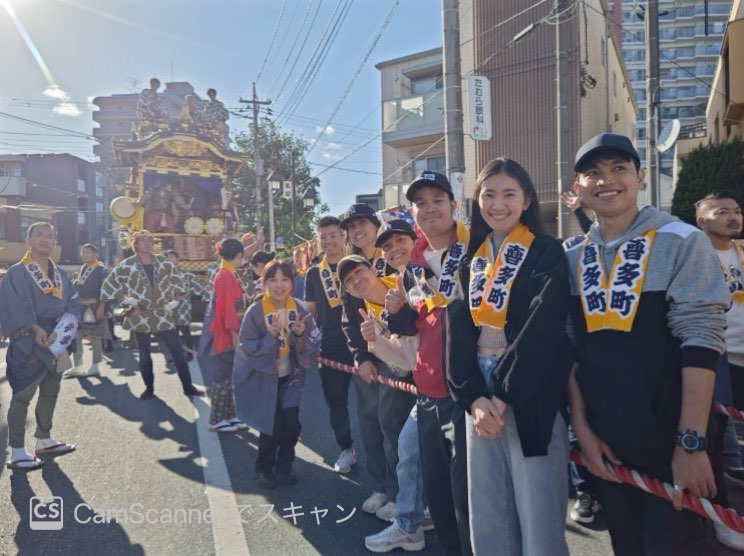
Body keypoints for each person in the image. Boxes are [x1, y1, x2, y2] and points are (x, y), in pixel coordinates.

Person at [565, 133, 729, 555]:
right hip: (607, 442)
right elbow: (571, 352)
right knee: (627, 545)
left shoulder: (681, 239)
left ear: (640, 176)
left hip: (673, 441)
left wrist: (690, 443)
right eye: (592, 173)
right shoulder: (572, 257)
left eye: (619, 168)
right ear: (578, 188)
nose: (606, 180)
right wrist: (583, 431)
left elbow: (701, 338)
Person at [447, 158, 572, 555]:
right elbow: (459, 330)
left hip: (526, 387)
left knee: (538, 513)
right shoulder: (473, 260)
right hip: (480, 395)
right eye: (489, 194)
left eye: (509, 194)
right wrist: (472, 397)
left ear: (527, 200)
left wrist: (501, 393)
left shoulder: (547, 251)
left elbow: (545, 325)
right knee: (487, 510)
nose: (497, 204)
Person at [386, 171, 473, 555]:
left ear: (454, 204)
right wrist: (396, 315)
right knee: (438, 496)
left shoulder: (478, 249)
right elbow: (419, 322)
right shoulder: (414, 263)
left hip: (467, 393)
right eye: (420, 202)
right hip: (426, 391)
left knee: (467, 496)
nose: (429, 208)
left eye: (437, 199)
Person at [338, 254, 417, 522]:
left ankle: (400, 497)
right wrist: (362, 357)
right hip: (390, 366)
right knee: (375, 425)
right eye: (349, 281)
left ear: (373, 267)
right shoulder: (363, 305)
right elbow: (351, 328)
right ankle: (384, 490)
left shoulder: (400, 285)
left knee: (394, 429)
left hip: (416, 371)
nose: (356, 281)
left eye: (359, 272)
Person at [233, 259, 321, 489]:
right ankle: (264, 468)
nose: (279, 285)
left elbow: (311, 344)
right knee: (269, 426)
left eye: (285, 280)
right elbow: (246, 346)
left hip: (290, 376)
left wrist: (300, 335)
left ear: (293, 283)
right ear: (265, 283)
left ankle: (285, 465)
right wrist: (269, 337)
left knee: (291, 424)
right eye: (273, 280)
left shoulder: (299, 308)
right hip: (266, 378)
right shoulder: (256, 311)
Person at [0, 222, 81, 470]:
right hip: (29, 340)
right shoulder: (17, 272)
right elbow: (13, 305)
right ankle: (17, 449)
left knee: (51, 391)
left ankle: (44, 439)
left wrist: (68, 320)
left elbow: (73, 301)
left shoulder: (61, 273)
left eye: (50, 235)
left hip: (57, 340)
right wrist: (33, 328)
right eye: (39, 235)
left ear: (55, 242)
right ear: (28, 240)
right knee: (22, 395)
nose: (46, 239)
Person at [695, 190, 744, 551]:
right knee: (720, 439)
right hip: (718, 359)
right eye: (722, 211)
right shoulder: (693, 254)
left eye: (736, 211)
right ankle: (724, 514)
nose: (732, 217)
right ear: (701, 220)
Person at [101, 230, 205, 400]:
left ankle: (188, 386)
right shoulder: (127, 264)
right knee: (144, 354)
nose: (148, 244)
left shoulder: (163, 262)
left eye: (150, 240)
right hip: (141, 313)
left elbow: (177, 282)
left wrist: (175, 302)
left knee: (177, 352)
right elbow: (110, 285)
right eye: (143, 240)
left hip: (162, 312)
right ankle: (149, 388)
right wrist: (128, 301)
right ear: (135, 244)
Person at [304, 216, 359, 474]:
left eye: (333, 235)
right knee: (336, 401)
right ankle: (346, 448)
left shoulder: (358, 265)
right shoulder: (314, 274)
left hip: (363, 343)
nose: (328, 241)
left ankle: (381, 452)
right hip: (331, 345)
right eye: (323, 237)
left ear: (343, 236)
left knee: (374, 405)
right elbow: (311, 314)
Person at [198, 238, 249, 433]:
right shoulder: (226, 275)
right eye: (242, 257)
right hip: (226, 333)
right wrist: (235, 335)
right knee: (223, 378)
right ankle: (216, 419)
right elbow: (228, 310)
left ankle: (230, 416)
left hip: (228, 330)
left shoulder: (226, 273)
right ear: (238, 256)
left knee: (230, 377)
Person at [64, 244, 109, 379]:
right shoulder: (84, 268)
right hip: (80, 307)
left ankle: (95, 366)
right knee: (76, 335)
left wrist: (102, 307)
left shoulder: (101, 269)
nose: (84, 254)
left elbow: (106, 289)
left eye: (88, 252)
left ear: (95, 254)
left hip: (94, 306)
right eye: (82, 252)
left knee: (94, 336)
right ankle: (77, 365)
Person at [165, 250, 203, 361]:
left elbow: (199, 288)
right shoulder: (163, 276)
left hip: (184, 306)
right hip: (170, 306)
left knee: (185, 331)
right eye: (168, 258)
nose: (170, 260)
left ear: (177, 259)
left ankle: (189, 354)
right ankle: (175, 355)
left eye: (172, 257)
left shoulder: (186, 274)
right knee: (172, 332)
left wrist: (188, 293)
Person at [340, 203, 390, 276]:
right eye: (352, 226)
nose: (357, 229)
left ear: (376, 226)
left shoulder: (393, 255)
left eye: (362, 223)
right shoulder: (349, 267)